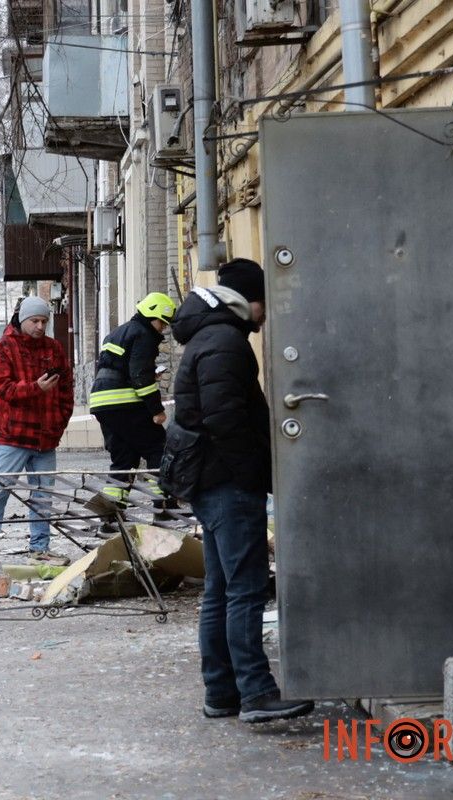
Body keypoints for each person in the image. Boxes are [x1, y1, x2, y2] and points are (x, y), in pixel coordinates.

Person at [168, 258, 313, 723]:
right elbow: (224, 418)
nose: (267, 316)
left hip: (210, 480)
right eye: (266, 304)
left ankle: (222, 693)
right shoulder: (226, 342)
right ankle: (255, 694)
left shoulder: (209, 336)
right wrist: (253, 475)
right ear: (251, 301)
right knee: (246, 588)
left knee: (221, 589)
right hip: (227, 483)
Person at [0, 296, 74, 572]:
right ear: (22, 320)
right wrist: (36, 388)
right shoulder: (4, 348)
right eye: (35, 321)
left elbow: (66, 389)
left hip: (46, 438)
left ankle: (40, 549)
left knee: (43, 497)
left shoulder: (54, 349)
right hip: (13, 436)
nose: (40, 326)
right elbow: (4, 389)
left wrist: (59, 423)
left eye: (44, 321)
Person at [89, 292, 177, 515]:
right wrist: (156, 410)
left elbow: (119, 367)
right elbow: (139, 376)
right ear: (151, 316)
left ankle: (111, 513)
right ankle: (164, 505)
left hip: (102, 401)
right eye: (162, 322)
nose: (163, 329)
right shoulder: (144, 334)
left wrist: (142, 376)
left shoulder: (121, 331)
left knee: (124, 457)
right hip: (124, 402)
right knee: (157, 448)